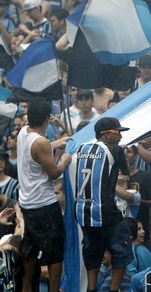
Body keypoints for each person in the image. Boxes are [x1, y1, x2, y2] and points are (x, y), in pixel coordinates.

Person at [72, 116, 133, 292]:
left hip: (83, 211)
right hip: (105, 211)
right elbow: (125, 171)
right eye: (117, 133)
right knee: (122, 250)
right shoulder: (114, 150)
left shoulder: (81, 148)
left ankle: (91, 289)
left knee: (92, 252)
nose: (120, 137)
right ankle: (113, 289)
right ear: (105, 134)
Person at [17, 100, 71, 292]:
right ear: (47, 118)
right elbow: (54, 173)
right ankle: (54, 289)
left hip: (27, 203)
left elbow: (38, 150)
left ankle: (26, 287)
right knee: (55, 252)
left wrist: (58, 142)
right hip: (44, 205)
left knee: (30, 247)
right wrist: (63, 160)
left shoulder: (24, 132)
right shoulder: (40, 142)